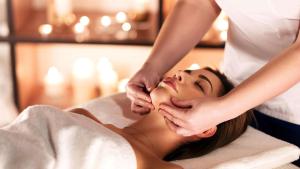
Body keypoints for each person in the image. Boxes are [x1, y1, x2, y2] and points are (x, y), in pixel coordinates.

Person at [126, 0, 300, 165]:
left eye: (198, 85)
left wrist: (224, 109)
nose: (179, 73)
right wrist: (152, 67)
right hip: (234, 88)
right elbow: (198, 3)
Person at [71, 68, 253, 168]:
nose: (180, 74)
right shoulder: (82, 116)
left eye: (199, 85)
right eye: (188, 72)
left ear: (205, 128)